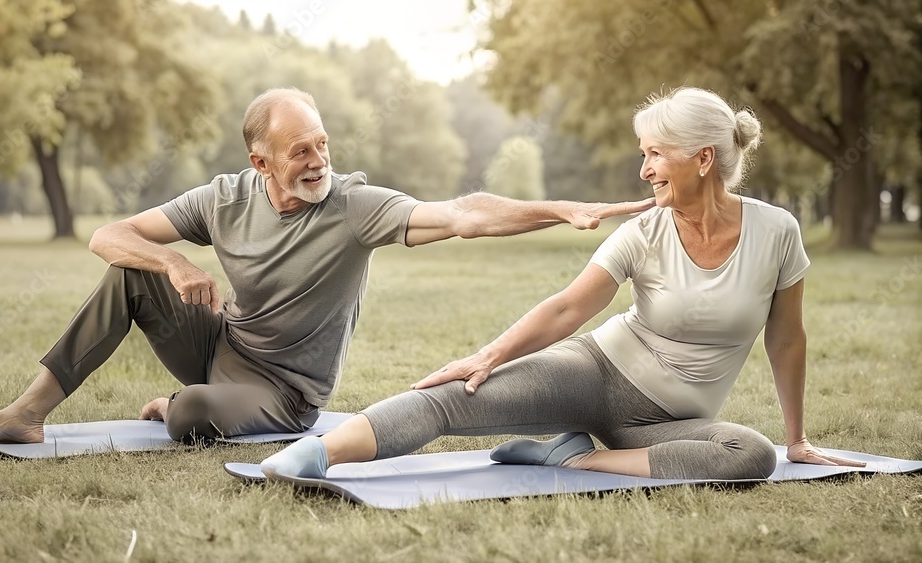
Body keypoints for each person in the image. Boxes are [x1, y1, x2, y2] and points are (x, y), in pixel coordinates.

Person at [0, 87, 652, 444]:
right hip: (220, 342)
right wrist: (171, 263)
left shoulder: (354, 206)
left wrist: (559, 208)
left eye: (321, 144)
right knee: (129, 272)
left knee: (190, 415)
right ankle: (26, 412)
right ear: (260, 162)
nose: (318, 160)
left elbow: (464, 212)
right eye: (300, 151)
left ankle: (180, 406)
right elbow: (109, 235)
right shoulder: (225, 198)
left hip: (284, 391)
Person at [261, 87, 866, 482]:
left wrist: (799, 440)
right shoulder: (645, 232)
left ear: (702, 159)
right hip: (595, 373)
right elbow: (569, 307)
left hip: (666, 427)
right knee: (457, 396)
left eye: (656, 154)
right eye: (643, 153)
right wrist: (487, 356)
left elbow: (786, 339)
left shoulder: (776, 232)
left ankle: (573, 457)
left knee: (752, 457)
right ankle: (318, 454)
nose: (644, 167)